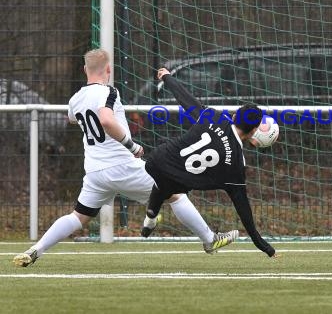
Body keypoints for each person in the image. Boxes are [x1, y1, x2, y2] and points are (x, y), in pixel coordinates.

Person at [13, 49, 236, 267]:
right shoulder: (109, 92)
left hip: (95, 173)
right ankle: (209, 239)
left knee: (77, 217)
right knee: (176, 193)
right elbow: (106, 120)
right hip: (121, 165)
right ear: (108, 69)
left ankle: (35, 250)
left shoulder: (76, 98)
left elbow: (73, 118)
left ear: (84, 70)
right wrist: (131, 145)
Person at [140, 67, 277, 258]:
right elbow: (243, 207)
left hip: (155, 160)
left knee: (167, 183)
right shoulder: (236, 165)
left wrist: (168, 77)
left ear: (236, 115)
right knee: (175, 189)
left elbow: (187, 100)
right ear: (254, 131)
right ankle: (207, 238)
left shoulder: (214, 116)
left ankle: (150, 219)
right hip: (176, 176)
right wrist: (263, 245)